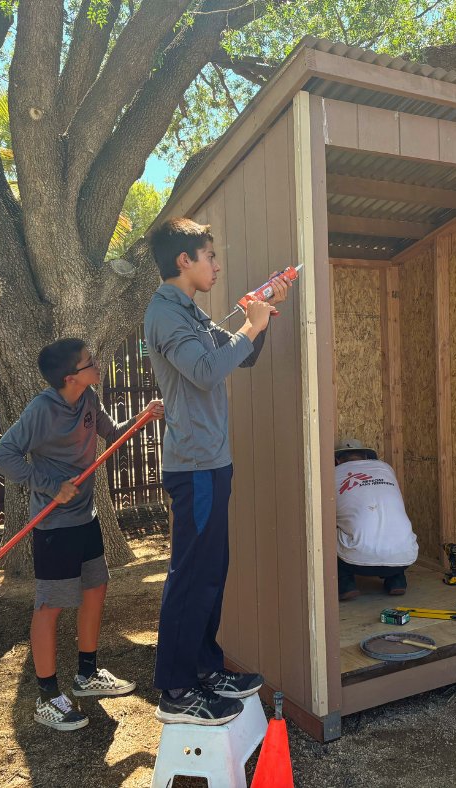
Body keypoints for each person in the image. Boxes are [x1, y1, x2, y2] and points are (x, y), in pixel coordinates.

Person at [144, 218, 289, 726]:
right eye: (210, 256)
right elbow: (206, 372)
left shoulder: (189, 312)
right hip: (195, 466)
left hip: (213, 462)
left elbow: (237, 358)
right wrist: (250, 325)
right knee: (191, 575)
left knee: (211, 571)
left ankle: (206, 667)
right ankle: (177, 688)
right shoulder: (165, 314)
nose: (217, 265)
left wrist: (261, 316)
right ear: (184, 259)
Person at [0, 338, 164, 731]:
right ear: (71, 377)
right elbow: (2, 455)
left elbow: (111, 433)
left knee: (95, 588)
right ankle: (47, 696)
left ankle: (86, 675)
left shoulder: (88, 399)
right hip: (54, 526)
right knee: (49, 606)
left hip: (86, 518)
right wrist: (50, 485)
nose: (97, 365)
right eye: (90, 363)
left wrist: (142, 418)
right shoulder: (41, 410)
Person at [334, 437, 419, 601]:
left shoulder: (333, 474)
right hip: (405, 556)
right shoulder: (385, 468)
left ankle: (346, 585)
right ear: (366, 457)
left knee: (327, 531)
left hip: (355, 560)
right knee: (390, 526)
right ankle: (397, 581)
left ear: (337, 459)